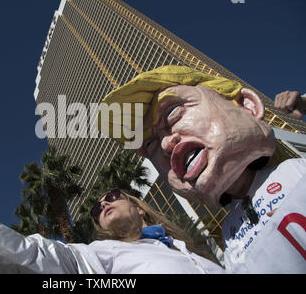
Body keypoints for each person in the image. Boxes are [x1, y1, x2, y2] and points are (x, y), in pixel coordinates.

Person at [97, 65, 306, 273]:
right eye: (151, 144)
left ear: (248, 106)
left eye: (172, 112)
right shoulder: (230, 232)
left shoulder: (297, 171)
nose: (165, 144)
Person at [0, 155, 224, 274]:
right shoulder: (97, 256)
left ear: (139, 207)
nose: (103, 204)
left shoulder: (185, 251)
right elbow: (23, 255)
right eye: (97, 209)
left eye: (111, 197)